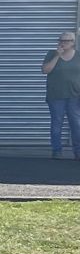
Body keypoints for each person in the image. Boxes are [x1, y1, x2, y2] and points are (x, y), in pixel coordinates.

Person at [44, 30, 80, 160]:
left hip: (75, 95)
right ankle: (57, 150)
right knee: (57, 122)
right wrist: (57, 56)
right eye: (61, 40)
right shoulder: (51, 54)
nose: (63, 43)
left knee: (76, 123)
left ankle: (78, 151)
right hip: (56, 95)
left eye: (67, 40)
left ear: (73, 43)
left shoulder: (78, 56)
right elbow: (45, 70)